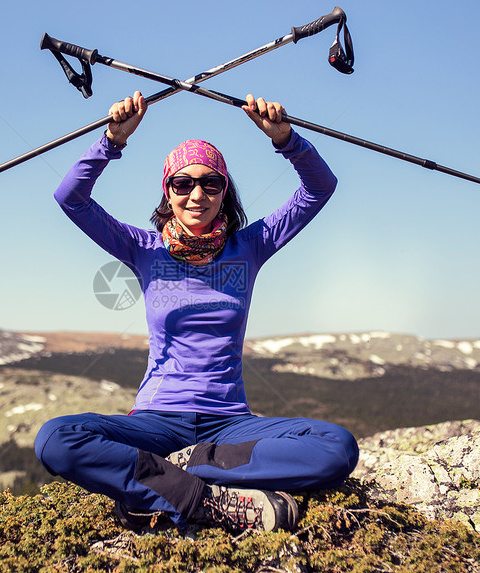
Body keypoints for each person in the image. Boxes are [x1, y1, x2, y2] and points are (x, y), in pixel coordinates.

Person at [35, 91, 359, 533]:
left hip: (229, 425)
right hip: (154, 422)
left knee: (336, 447)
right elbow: (71, 197)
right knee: (56, 439)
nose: (197, 194)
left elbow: (320, 187)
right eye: (182, 184)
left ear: (225, 192)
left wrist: (285, 139)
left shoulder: (250, 247)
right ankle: (203, 498)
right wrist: (113, 139)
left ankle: (180, 472)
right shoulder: (143, 249)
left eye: (211, 183)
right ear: (167, 193)